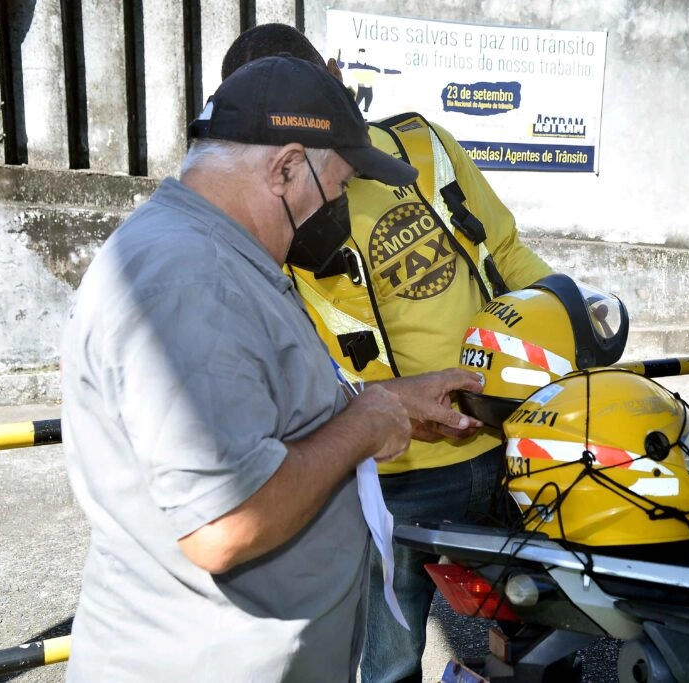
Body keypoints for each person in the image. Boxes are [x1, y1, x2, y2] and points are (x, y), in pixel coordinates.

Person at [61, 55, 483, 682]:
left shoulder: (219, 255)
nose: (339, 208)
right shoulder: (193, 280)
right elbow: (223, 523)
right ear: (286, 167)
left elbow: (268, 411)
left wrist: (388, 401)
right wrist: (364, 427)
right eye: (337, 187)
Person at [221, 26, 557, 683]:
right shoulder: (265, 210)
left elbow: (508, 251)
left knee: (540, 611)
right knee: (389, 655)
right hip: (392, 470)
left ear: (334, 73)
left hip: (512, 430)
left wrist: (569, 333)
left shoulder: (420, 146)